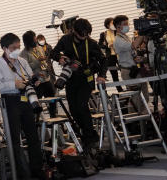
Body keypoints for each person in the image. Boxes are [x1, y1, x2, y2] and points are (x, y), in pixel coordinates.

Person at [0, 33, 43, 180]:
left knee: (33, 135)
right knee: (14, 138)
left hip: (26, 99)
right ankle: (21, 173)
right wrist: (14, 84)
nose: (17, 50)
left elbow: (30, 76)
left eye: (18, 47)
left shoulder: (22, 61)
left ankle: (37, 169)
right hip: (10, 100)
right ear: (5, 48)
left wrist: (34, 81)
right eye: (13, 48)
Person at [52, 18, 105, 147]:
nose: (84, 37)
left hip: (86, 79)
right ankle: (87, 133)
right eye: (82, 34)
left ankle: (89, 136)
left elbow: (103, 60)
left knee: (82, 105)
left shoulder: (91, 43)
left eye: (87, 34)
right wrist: (60, 58)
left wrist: (102, 75)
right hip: (71, 79)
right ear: (74, 31)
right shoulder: (65, 40)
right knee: (73, 109)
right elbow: (53, 53)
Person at [112, 15, 150, 111]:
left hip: (136, 70)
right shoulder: (118, 40)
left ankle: (144, 119)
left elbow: (132, 51)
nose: (127, 26)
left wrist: (137, 58)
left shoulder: (126, 37)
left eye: (127, 23)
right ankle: (135, 123)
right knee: (135, 98)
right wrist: (142, 32)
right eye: (125, 24)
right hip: (129, 72)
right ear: (118, 26)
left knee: (145, 96)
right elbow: (134, 45)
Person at [20, 30, 56, 98]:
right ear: (29, 41)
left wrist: (46, 66)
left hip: (46, 79)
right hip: (36, 82)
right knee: (38, 103)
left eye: (35, 38)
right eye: (34, 39)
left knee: (52, 100)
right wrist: (37, 61)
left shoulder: (39, 48)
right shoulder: (23, 54)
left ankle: (53, 109)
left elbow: (43, 62)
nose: (36, 40)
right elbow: (25, 69)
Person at [98, 17, 121, 85]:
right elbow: (100, 45)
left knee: (124, 70)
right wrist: (107, 46)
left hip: (120, 54)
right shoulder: (104, 34)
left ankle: (129, 87)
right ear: (108, 25)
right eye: (112, 23)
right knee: (114, 74)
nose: (114, 24)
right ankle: (119, 89)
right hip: (110, 56)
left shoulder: (119, 32)